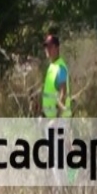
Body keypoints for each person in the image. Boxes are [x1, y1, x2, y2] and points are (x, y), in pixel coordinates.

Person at [41, 33, 74, 185]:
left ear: (56, 48)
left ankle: (63, 189)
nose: (47, 50)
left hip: (58, 120)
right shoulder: (52, 67)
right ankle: (64, 186)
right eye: (45, 47)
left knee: (57, 157)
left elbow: (62, 93)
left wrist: (57, 118)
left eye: (49, 47)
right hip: (52, 119)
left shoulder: (59, 67)